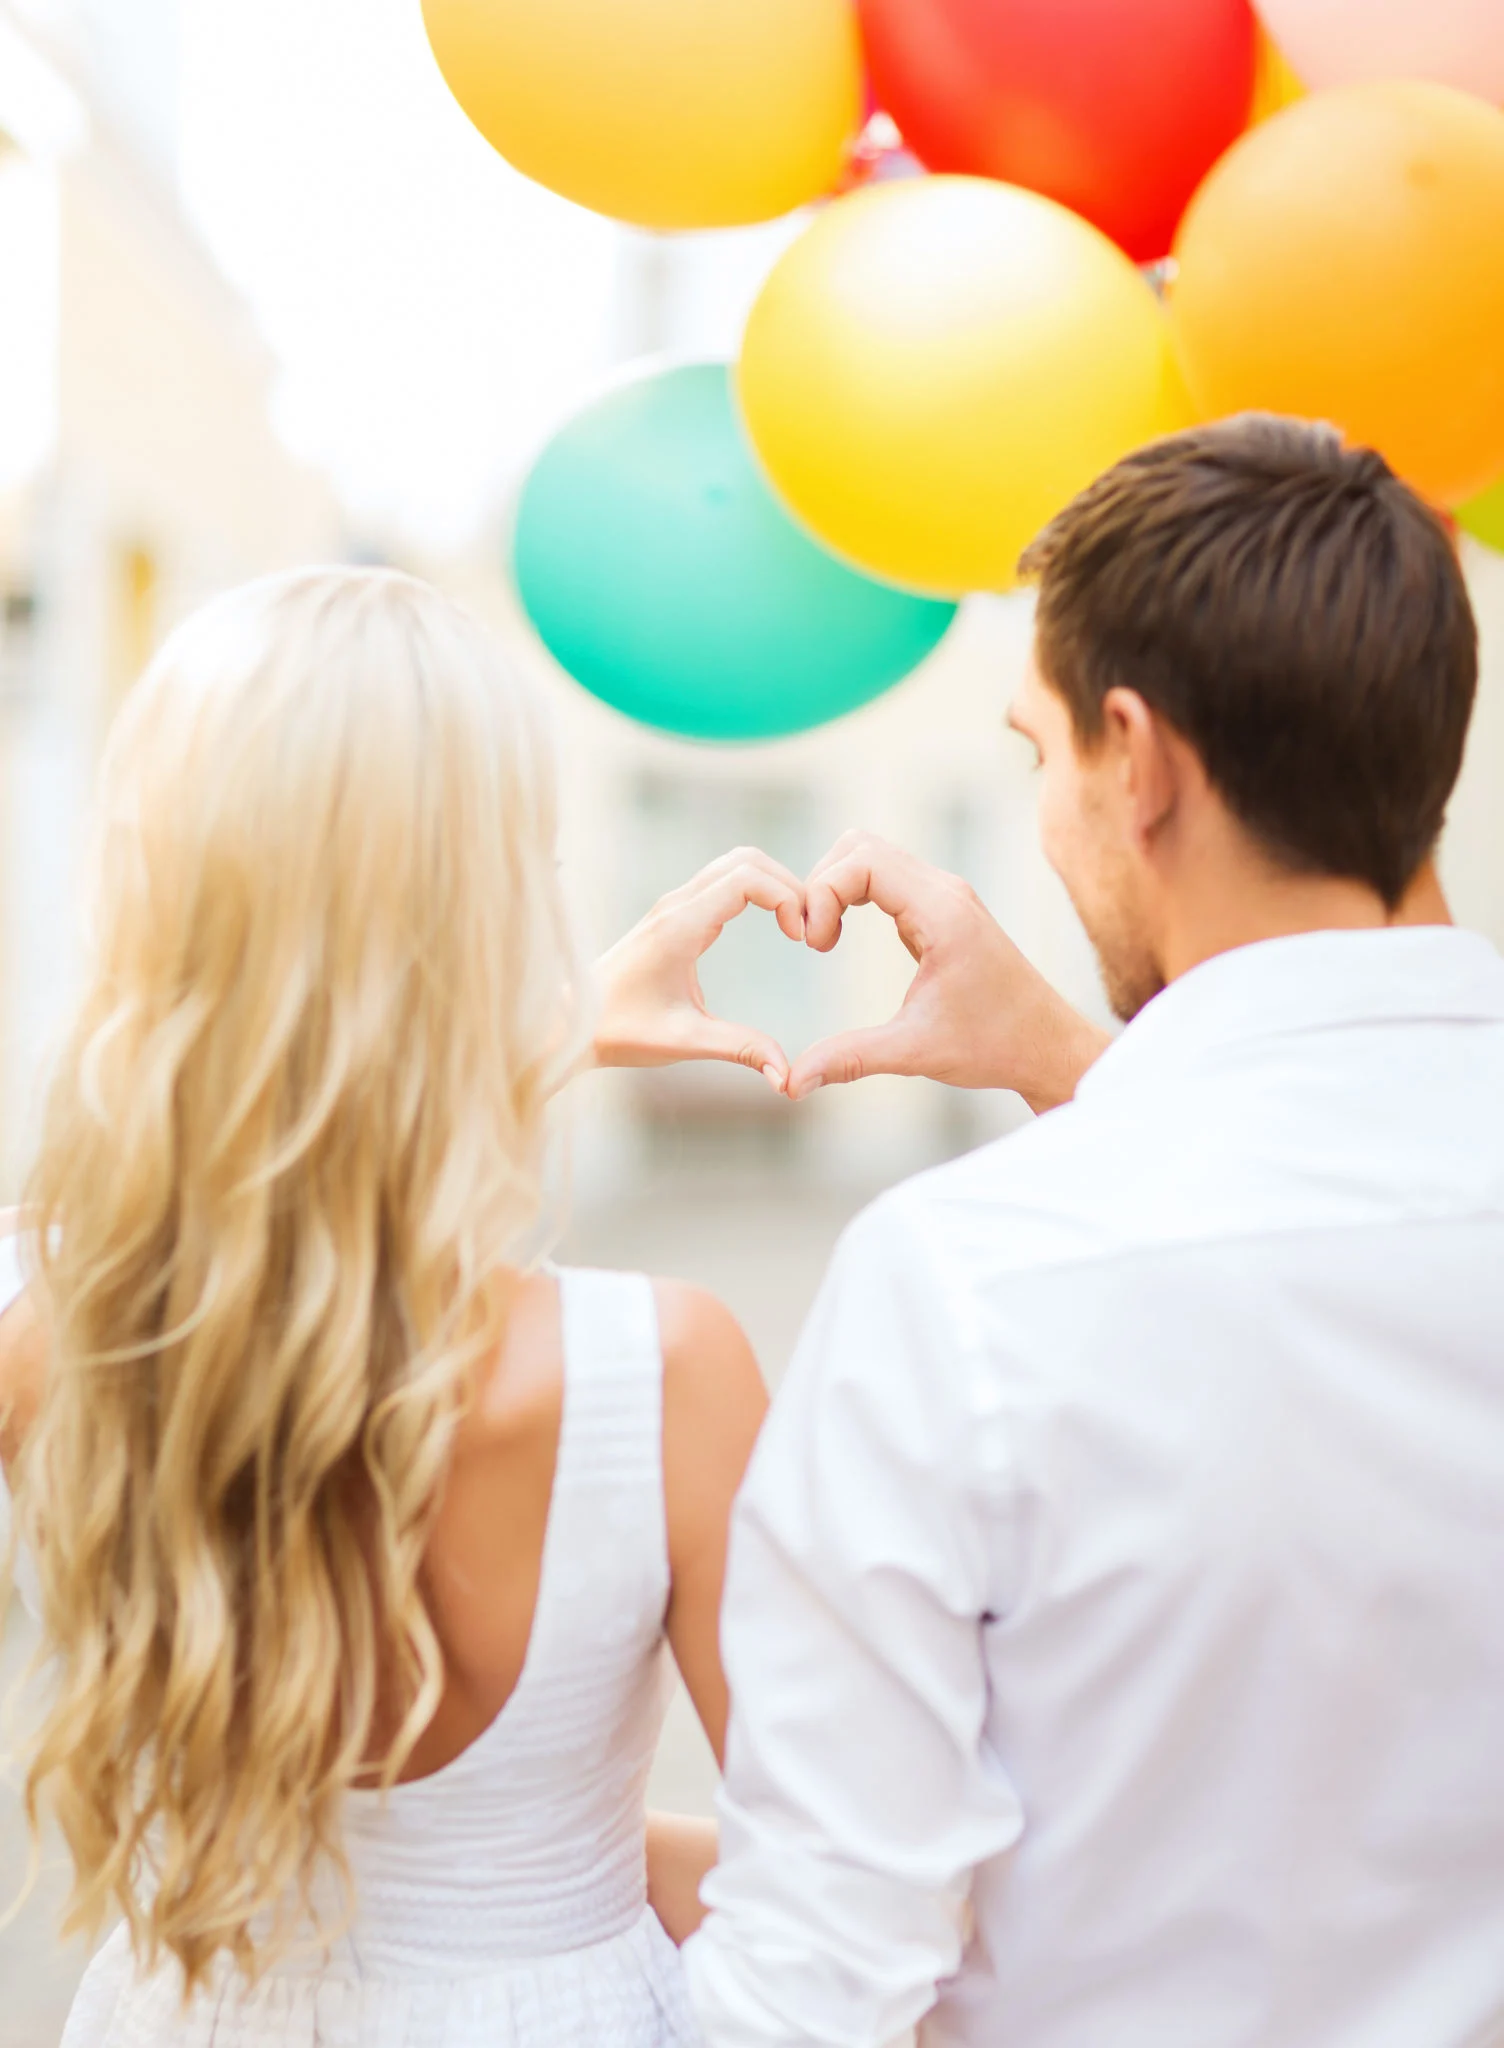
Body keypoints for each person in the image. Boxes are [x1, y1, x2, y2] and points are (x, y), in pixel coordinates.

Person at [682, 417, 1504, 2046]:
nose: (1045, 820)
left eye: (1035, 753)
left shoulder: (964, 1286)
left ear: (1137, 761)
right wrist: (1075, 1060)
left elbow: (817, 1986)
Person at [0, 566, 812, 2046]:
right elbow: (831, 1894)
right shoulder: (661, 1375)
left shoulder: (55, 1320)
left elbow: (272, 1195)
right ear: (492, 924)